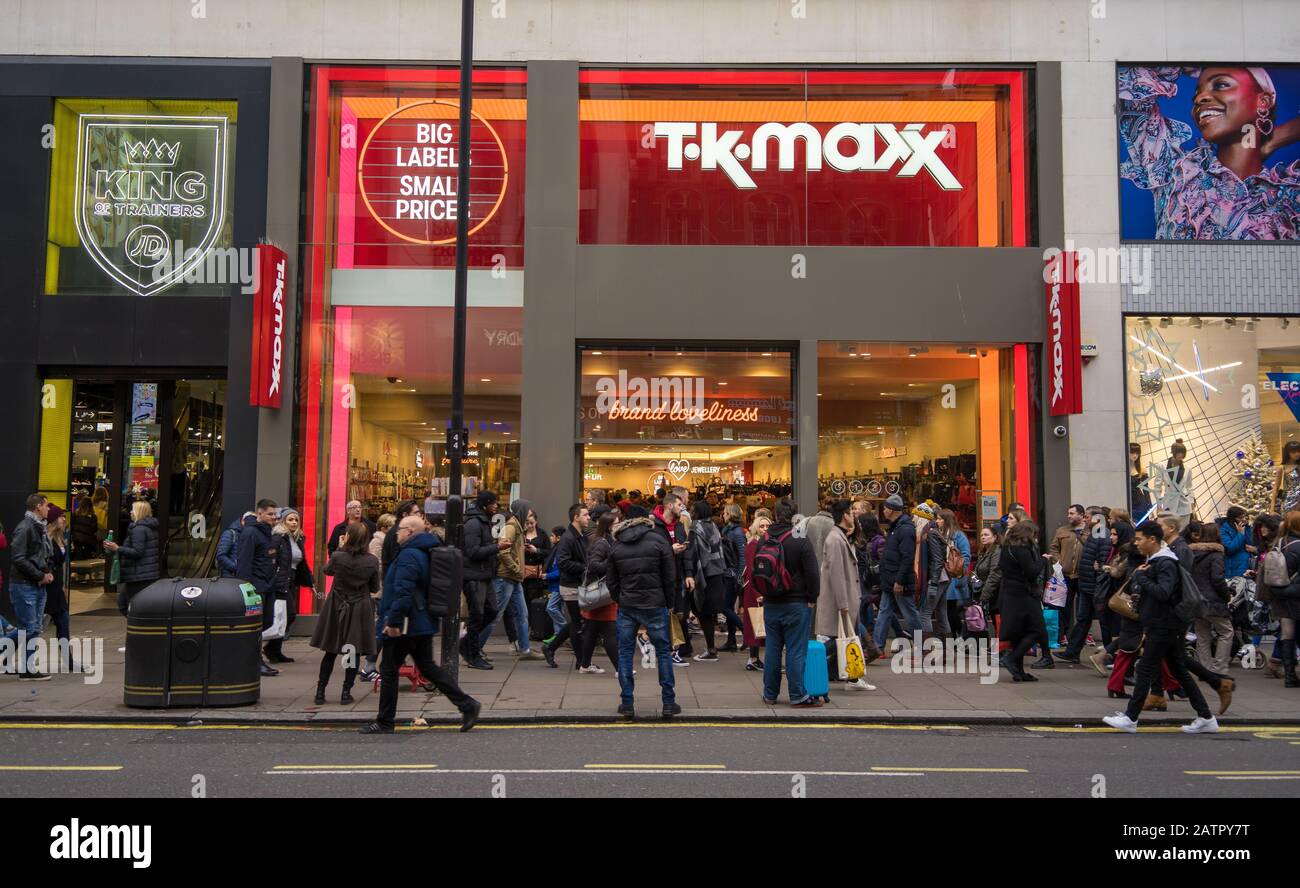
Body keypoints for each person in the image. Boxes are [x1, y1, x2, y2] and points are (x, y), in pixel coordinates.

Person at [1119, 65, 1300, 240]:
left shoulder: (1288, 200)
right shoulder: (1175, 174)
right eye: (1196, 94)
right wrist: (1189, 58)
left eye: (1221, 84)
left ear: (1263, 101)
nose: (1200, 98)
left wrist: (1271, 140)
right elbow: (1129, 84)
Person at [361, 516, 481, 734]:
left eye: (399, 530)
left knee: (388, 670)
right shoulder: (422, 551)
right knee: (428, 668)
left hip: (406, 624)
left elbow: (403, 592)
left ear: (409, 531)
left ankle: (385, 722)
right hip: (421, 621)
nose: (396, 533)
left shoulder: (408, 555)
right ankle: (467, 705)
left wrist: (394, 622)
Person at [1104, 521, 1219, 734]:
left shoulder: (1165, 562)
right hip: (1163, 624)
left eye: (1139, 539)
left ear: (1152, 540)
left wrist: (1141, 578)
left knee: (1146, 669)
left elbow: (1164, 593)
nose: (1136, 543)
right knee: (1179, 670)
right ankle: (1206, 716)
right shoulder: (1157, 561)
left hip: (1163, 625)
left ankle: (1131, 718)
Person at [605, 509, 679, 719]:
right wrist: (669, 602)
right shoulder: (658, 541)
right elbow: (669, 576)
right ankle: (668, 702)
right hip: (655, 604)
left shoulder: (617, 545)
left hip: (628, 605)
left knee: (625, 653)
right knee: (664, 652)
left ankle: (627, 703)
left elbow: (611, 580)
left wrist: (620, 598)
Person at [759, 498, 822, 707]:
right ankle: (797, 695)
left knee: (772, 649)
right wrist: (812, 598)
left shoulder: (765, 538)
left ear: (775, 515)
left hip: (771, 602)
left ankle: (770, 694)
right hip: (796, 603)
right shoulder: (799, 538)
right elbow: (813, 572)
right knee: (796, 650)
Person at [311, 522, 378, 705]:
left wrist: (340, 549)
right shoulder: (371, 561)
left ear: (347, 536)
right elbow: (374, 587)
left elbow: (327, 570)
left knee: (330, 651)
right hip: (359, 606)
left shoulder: (338, 556)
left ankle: (320, 692)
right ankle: (346, 693)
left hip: (337, 605)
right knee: (352, 652)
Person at [817, 499, 873, 691]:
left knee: (848, 639)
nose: (854, 516)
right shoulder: (834, 538)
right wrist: (843, 603)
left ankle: (853, 678)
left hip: (847, 599)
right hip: (841, 601)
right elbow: (836, 573)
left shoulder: (840, 536)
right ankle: (811, 664)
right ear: (844, 516)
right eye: (851, 512)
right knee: (841, 640)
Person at [482, 499, 543, 660]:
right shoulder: (510, 527)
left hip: (514, 579)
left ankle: (525, 650)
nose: (530, 515)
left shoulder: (517, 527)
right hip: (505, 578)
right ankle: (475, 647)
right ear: (521, 511)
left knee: (522, 614)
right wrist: (517, 568)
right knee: (495, 616)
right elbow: (503, 552)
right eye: (528, 512)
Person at [998, 520, 1050, 682]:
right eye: (1034, 534)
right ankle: (1013, 658)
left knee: (1018, 633)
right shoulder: (1022, 550)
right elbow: (1032, 572)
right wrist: (1043, 560)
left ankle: (1018, 671)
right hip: (1024, 595)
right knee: (1037, 629)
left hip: (1009, 594)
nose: (1036, 538)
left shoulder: (1006, 548)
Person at [1058, 507, 1112, 662]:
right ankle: (1072, 652)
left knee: (1103, 622)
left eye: (1088, 517)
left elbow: (1102, 559)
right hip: (1087, 585)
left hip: (1094, 586)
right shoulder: (1094, 534)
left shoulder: (1101, 534)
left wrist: (1099, 578)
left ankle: (1108, 655)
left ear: (1097, 518)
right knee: (1083, 619)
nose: (1085, 519)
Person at [9, 495, 54, 680]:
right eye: (46, 505)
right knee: (29, 628)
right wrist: (40, 575)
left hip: (35, 584)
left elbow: (39, 555)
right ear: (37, 507)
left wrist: (45, 573)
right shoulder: (26, 527)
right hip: (24, 585)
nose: (48, 509)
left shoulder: (37, 526)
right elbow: (18, 557)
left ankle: (28, 668)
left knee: (33, 628)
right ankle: (25, 667)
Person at [235, 499, 281, 677]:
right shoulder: (250, 533)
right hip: (255, 587)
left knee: (266, 622)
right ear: (259, 513)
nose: (274, 518)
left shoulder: (266, 532)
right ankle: (255, 661)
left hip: (267, 586)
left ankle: (250, 656)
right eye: (270, 514)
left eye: (275, 514)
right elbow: (244, 563)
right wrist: (247, 589)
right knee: (255, 625)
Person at [460, 490, 504, 670]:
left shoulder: (485, 521)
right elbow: (473, 551)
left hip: (484, 574)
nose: (496, 506)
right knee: (477, 615)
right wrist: (497, 547)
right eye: (493, 503)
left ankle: (467, 646)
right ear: (485, 504)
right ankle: (472, 654)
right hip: (474, 576)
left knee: (492, 611)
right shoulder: (474, 523)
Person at [544, 504, 590, 667]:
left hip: (578, 585)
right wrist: (585, 567)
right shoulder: (568, 538)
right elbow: (563, 562)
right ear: (576, 517)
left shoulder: (579, 535)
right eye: (585, 515)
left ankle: (551, 648)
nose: (588, 517)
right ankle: (581, 661)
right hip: (571, 586)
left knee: (577, 622)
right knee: (578, 624)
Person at [874, 495, 921, 653]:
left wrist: (899, 581)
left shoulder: (905, 529)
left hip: (899, 580)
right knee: (884, 611)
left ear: (892, 510)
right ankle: (877, 646)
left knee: (909, 613)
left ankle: (922, 646)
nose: (884, 511)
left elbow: (907, 557)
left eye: (886, 508)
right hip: (890, 579)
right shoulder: (895, 527)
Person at [266, 507, 313, 664]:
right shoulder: (279, 537)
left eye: (295, 520)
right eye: (290, 519)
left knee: (286, 616)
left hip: (291, 579)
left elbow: (301, 563)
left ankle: (275, 650)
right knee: (288, 614)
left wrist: (309, 581)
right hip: (281, 580)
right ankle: (271, 647)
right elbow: (273, 560)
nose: (293, 522)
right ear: (283, 521)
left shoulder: (297, 538)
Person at [683, 500, 728, 662]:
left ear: (698, 512)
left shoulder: (696, 529)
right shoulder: (713, 526)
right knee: (708, 612)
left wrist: (688, 573)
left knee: (701, 611)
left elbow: (692, 554)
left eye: (693, 510)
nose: (691, 511)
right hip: (717, 572)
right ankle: (711, 647)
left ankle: (709, 649)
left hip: (704, 575)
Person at [1188, 521, 1234, 677]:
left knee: (1202, 635)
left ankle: (1205, 669)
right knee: (1226, 631)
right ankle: (1219, 668)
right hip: (1213, 600)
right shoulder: (1216, 554)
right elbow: (1217, 579)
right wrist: (1226, 595)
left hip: (1196, 600)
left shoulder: (1192, 553)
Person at [576, 511, 619, 675]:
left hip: (596, 596)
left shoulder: (604, 541)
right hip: (602, 594)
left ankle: (585, 665)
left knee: (592, 631)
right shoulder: (602, 543)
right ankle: (620, 669)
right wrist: (613, 562)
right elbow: (594, 565)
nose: (619, 525)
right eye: (616, 523)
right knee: (609, 631)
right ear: (609, 526)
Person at [652, 492, 691, 666]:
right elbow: (649, 550)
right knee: (661, 614)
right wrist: (670, 550)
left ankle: (672, 650)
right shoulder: (653, 524)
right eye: (678, 505)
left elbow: (687, 553)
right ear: (669, 506)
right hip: (658, 578)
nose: (682, 508)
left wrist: (689, 574)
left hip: (676, 577)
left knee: (678, 613)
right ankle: (663, 650)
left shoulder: (679, 526)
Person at [104, 500, 160, 617]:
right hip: (145, 574)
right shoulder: (150, 528)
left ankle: (138, 628)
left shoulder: (138, 529)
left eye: (132, 509)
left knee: (126, 605)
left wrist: (117, 548)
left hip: (138, 574)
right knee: (128, 603)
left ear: (138, 512)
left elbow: (137, 552)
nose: (130, 512)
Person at [1267, 511, 1300, 687]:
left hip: (1279, 593)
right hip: (1296, 595)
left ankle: (1289, 676)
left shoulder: (1279, 543)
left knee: (1287, 633)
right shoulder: (1298, 545)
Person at [44, 506, 78, 673]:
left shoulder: (60, 537)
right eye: (61, 516)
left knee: (63, 622)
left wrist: (63, 585)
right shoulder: (47, 538)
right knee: (33, 627)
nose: (64, 519)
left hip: (57, 586)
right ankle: (6, 651)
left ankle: (69, 661)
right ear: (53, 520)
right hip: (48, 587)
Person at [1049, 503, 1087, 642]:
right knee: (1064, 607)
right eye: (1068, 513)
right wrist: (1058, 564)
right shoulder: (1062, 531)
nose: (1068, 516)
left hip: (1083, 575)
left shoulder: (1090, 531)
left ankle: (1080, 637)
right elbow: (1053, 548)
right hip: (1065, 575)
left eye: (1072, 513)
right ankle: (1063, 635)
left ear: (1081, 515)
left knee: (1082, 609)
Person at [739, 513, 772, 672]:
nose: (765, 528)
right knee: (755, 622)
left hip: (758, 588)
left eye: (767, 526)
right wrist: (758, 591)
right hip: (754, 589)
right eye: (762, 526)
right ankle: (752, 658)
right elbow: (752, 569)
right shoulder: (754, 544)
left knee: (757, 623)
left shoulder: (763, 543)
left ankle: (754, 658)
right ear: (755, 527)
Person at [720, 503, 748, 652]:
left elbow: (743, 558)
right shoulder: (729, 531)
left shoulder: (736, 533)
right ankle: (731, 641)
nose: (723, 515)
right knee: (729, 607)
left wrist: (739, 577)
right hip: (729, 573)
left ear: (730, 514)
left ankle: (745, 631)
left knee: (723, 606)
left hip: (732, 575)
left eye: (725, 512)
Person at [974, 523, 1004, 642]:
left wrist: (984, 596)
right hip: (988, 593)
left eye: (986, 535)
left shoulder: (997, 551)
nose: (983, 537)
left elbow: (994, 574)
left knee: (999, 622)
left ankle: (1003, 649)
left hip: (997, 593)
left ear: (995, 537)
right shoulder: (984, 552)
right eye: (981, 535)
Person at [1218, 506, 1252, 581]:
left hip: (1247, 566)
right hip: (1234, 568)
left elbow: (1252, 542)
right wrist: (1240, 534)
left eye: (1244, 517)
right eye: (1240, 518)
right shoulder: (1224, 530)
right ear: (1232, 519)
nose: (1243, 520)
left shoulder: (1245, 527)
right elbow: (1230, 549)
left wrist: (1248, 528)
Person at [216, 512, 252, 578]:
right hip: (230, 576)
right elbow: (221, 555)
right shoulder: (230, 533)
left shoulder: (248, 534)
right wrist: (236, 567)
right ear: (243, 521)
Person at [1274, 441, 1300, 515]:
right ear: (1287, 453)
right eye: (1293, 452)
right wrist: (1272, 508)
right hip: (1290, 500)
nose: (1297, 454)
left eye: (1298, 451)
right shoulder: (1282, 468)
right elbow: (1276, 487)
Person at [1129, 443, 1152, 519]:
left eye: (1137, 453)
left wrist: (1149, 504)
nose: (1135, 455)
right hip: (1127, 501)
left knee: (1143, 525)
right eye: (1132, 452)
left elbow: (1145, 488)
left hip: (1140, 503)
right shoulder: (1123, 471)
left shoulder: (1142, 470)